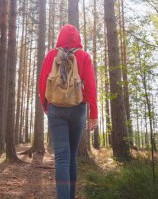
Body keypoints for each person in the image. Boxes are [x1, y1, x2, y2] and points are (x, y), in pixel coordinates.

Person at [39, 24, 98, 199]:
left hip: (56, 109)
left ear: (60, 37)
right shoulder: (84, 56)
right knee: (72, 156)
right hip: (78, 109)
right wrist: (93, 113)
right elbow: (91, 87)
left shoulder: (51, 55)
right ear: (77, 38)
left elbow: (42, 83)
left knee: (62, 158)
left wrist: (46, 107)